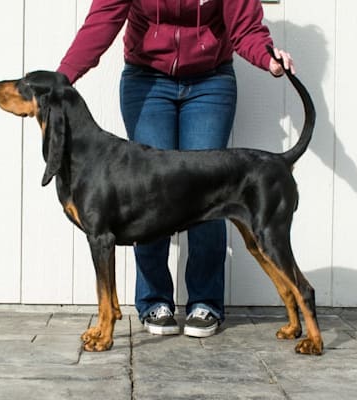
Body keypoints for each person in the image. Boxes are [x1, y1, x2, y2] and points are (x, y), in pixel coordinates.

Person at [57, 0, 295, 338]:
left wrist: (267, 57)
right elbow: (103, 20)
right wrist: (61, 80)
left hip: (211, 82)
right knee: (146, 194)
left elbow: (244, 27)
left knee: (212, 193)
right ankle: (155, 300)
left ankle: (206, 301)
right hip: (147, 80)